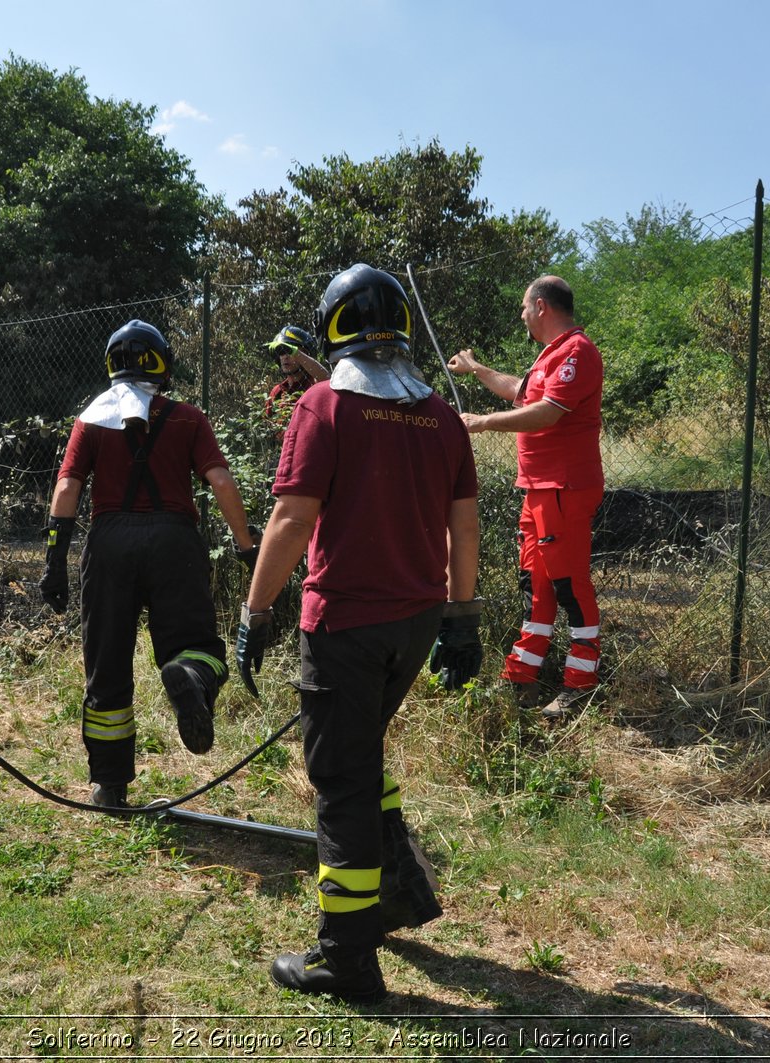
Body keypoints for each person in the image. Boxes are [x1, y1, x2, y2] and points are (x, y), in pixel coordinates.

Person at [237, 264, 482, 1004]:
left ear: (333, 327)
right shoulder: (440, 416)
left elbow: (290, 520)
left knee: (339, 780)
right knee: (362, 751)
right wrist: (463, 620)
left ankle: (346, 957)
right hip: (414, 623)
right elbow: (464, 527)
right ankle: (397, 887)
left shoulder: (322, 406)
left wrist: (254, 614)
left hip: (344, 621)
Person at [40, 320, 259, 809]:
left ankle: (109, 785)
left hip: (110, 544)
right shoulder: (188, 418)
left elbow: (67, 488)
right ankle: (191, 676)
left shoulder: (90, 420)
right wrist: (246, 546)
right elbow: (221, 482)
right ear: (162, 364)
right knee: (196, 646)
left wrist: (55, 559)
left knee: (107, 664)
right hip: (174, 542)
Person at [447, 275, 603, 723]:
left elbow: (546, 413)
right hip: (538, 489)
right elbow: (522, 392)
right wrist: (476, 369)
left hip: (564, 488)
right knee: (538, 585)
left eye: (523, 306)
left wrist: (481, 423)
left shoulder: (578, 351)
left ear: (540, 306)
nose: (521, 315)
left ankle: (581, 686)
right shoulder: (550, 355)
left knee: (569, 586)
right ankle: (520, 678)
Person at [261, 324, 329, 433]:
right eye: (281, 352)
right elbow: (266, 429)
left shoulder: (314, 385)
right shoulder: (277, 391)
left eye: (289, 350)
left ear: (306, 354)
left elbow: (327, 380)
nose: (285, 356)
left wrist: (296, 353)